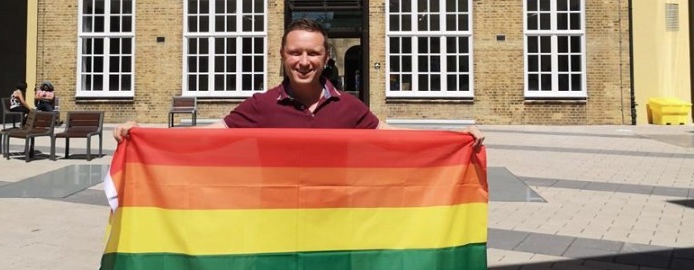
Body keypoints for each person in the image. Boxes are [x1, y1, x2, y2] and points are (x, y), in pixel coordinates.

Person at [114, 18, 484, 146]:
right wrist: (144, 133)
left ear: (326, 58)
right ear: (282, 55)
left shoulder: (349, 107)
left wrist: (455, 137)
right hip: (273, 220)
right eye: (295, 53)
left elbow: (389, 133)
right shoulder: (261, 105)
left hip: (334, 221)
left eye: (312, 54)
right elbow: (213, 131)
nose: (303, 62)